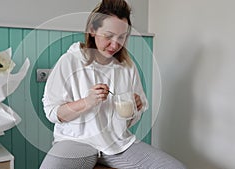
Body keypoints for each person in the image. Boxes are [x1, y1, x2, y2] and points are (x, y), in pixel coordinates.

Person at [40, 0, 186, 168]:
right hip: (76, 141)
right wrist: (87, 102)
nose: (115, 44)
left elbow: (133, 117)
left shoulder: (127, 67)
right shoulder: (69, 61)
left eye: (122, 37)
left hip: (118, 144)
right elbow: (53, 113)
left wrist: (136, 107)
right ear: (92, 30)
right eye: (108, 36)